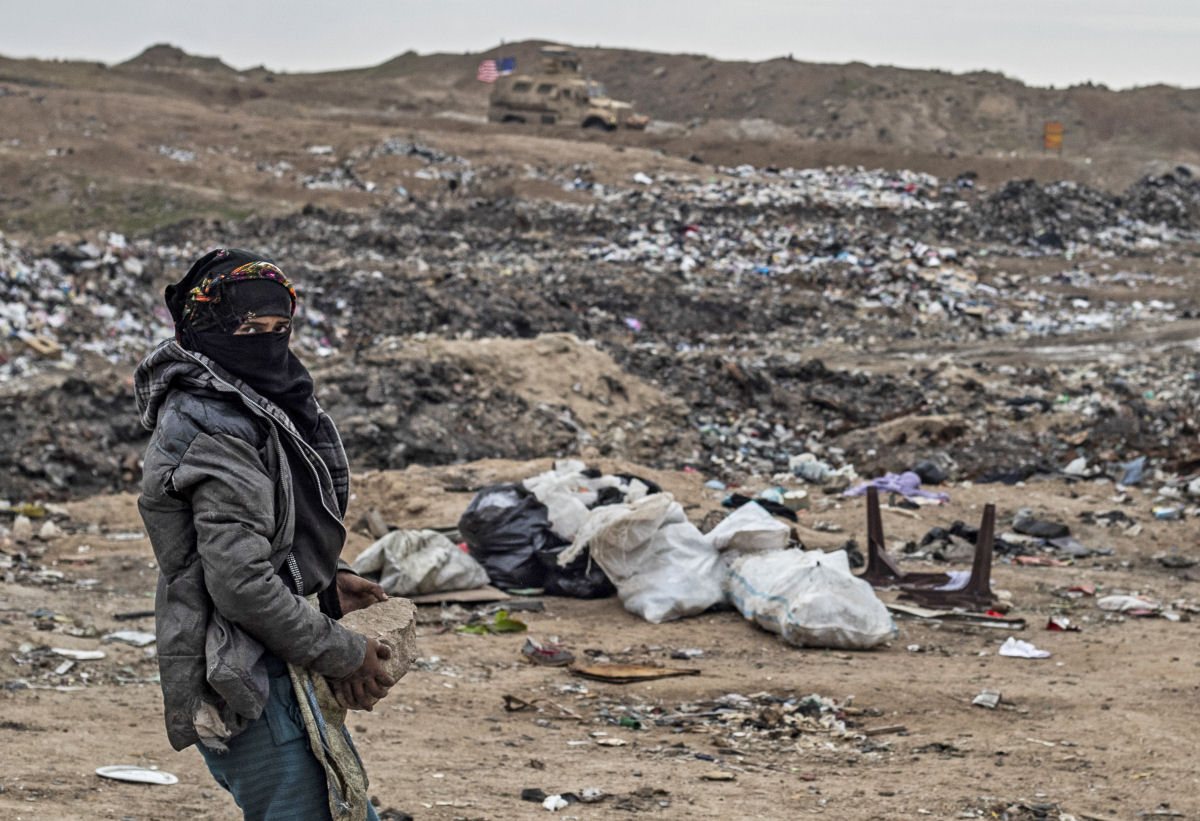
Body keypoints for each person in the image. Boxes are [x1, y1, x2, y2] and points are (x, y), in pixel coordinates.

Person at [135, 248, 393, 821]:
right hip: (244, 676)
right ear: (204, 330)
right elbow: (241, 585)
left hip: (275, 662)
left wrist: (329, 584)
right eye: (250, 329)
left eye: (280, 329)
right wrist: (344, 653)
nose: (268, 343)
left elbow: (266, 537)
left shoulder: (255, 409)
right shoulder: (211, 427)